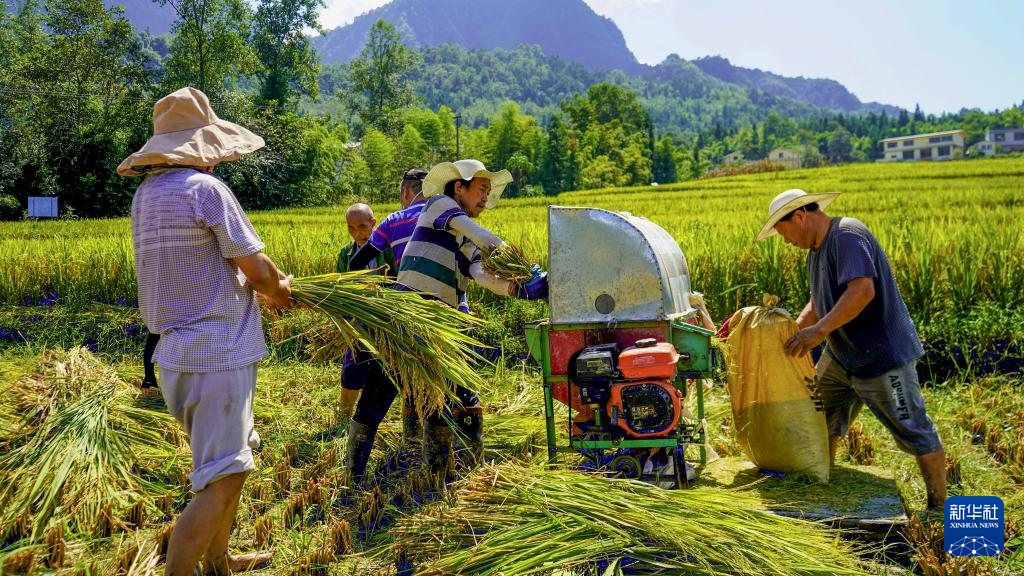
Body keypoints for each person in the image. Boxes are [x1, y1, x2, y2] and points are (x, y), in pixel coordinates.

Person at [119, 87, 293, 575]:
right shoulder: (204, 189)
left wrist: (268, 281)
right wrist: (281, 291)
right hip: (216, 356)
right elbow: (257, 271)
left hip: (177, 358)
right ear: (201, 147)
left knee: (226, 469)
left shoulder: (146, 195)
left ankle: (219, 560)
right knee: (224, 479)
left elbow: (218, 265)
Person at [757, 188, 946, 511]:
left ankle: (939, 508)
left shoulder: (847, 235)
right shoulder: (815, 252)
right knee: (818, 415)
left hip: (882, 357)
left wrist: (819, 331)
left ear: (800, 217)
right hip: (841, 355)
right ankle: (824, 480)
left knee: (914, 429)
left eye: (784, 232)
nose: (786, 241)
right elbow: (819, 300)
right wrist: (796, 330)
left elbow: (862, 291)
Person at [395, 159, 548, 477]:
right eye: (481, 189)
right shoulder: (439, 206)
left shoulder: (464, 237)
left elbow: (480, 274)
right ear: (459, 187)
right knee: (437, 391)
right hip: (417, 314)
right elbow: (481, 236)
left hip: (446, 322)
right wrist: (520, 264)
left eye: (488, 191)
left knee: (457, 389)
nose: (485, 197)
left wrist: (519, 289)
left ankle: (463, 466)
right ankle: (437, 470)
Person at [335, 202, 396, 425]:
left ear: (373, 223)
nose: (357, 233)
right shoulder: (346, 253)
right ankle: (343, 417)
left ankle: (376, 418)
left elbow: (398, 279)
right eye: (351, 228)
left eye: (362, 226)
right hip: (358, 320)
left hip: (387, 318)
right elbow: (340, 285)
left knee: (388, 368)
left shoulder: (387, 250)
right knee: (353, 364)